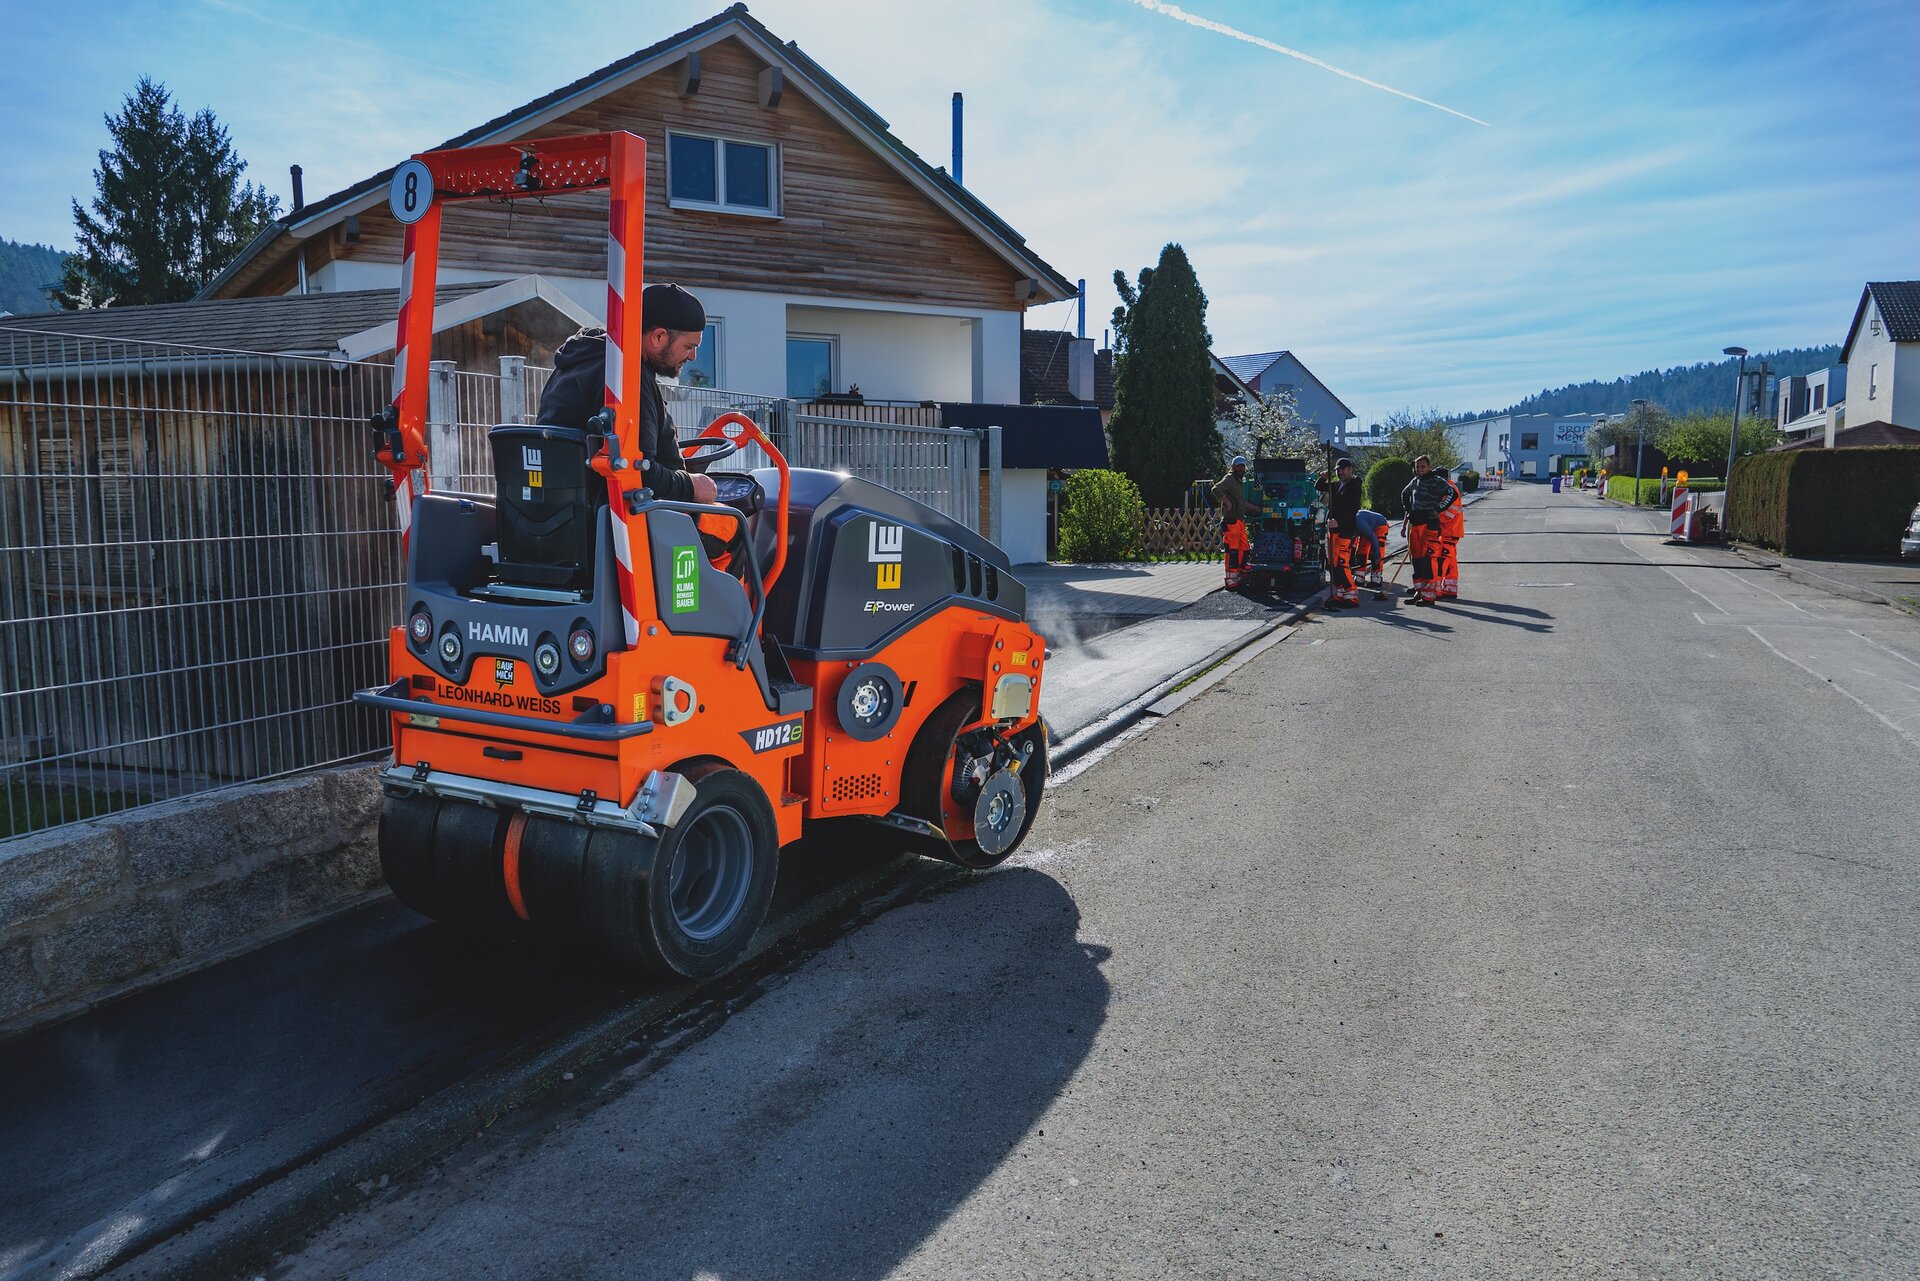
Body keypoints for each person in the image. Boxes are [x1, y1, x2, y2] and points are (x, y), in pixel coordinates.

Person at [538, 283, 744, 568]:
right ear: (659, 336)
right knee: (733, 526)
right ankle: (734, 614)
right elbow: (637, 473)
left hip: (565, 522)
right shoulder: (627, 380)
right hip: (621, 521)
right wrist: (691, 486)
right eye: (689, 346)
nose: (693, 357)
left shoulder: (576, 365)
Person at [1399, 454, 1456, 606]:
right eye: (1417, 467)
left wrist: (1439, 508)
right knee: (1417, 561)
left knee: (1428, 561)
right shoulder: (1415, 481)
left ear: (1429, 467)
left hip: (1429, 525)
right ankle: (1419, 592)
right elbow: (1404, 494)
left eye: (1423, 466)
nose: (1420, 469)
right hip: (1415, 526)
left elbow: (1452, 493)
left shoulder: (1437, 481)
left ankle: (1429, 596)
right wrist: (1408, 509)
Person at [1314, 456, 1364, 608]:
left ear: (1349, 470)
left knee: (1342, 563)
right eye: (1337, 471)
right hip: (1333, 530)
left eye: (1342, 470)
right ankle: (1341, 593)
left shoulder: (1354, 486)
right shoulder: (1336, 485)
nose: (1340, 473)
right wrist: (1322, 478)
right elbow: (1319, 487)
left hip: (1345, 530)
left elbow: (1352, 509)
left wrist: (1339, 522)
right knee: (1333, 564)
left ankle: (1352, 595)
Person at [1211, 455, 1255, 590]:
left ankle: (1239, 576)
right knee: (1233, 551)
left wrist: (1253, 507)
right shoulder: (1230, 478)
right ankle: (1230, 580)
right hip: (1231, 521)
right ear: (1233, 467)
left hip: (1239, 521)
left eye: (1243, 466)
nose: (1241, 468)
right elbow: (1215, 489)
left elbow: (1240, 502)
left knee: (1245, 548)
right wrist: (1226, 501)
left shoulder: (1238, 481)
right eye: (1239, 466)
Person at [1434, 467, 1465, 599]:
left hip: (1449, 531)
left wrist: (1436, 520)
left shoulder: (1450, 491)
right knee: (1450, 560)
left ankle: (1436, 589)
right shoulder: (1450, 489)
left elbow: (1449, 513)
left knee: (1442, 560)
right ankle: (1450, 588)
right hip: (1453, 531)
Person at [1353, 507, 1390, 595]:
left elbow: (1373, 539)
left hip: (1380, 525)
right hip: (1368, 525)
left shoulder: (1359, 523)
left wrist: (1377, 556)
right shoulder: (1348, 524)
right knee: (1361, 551)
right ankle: (1359, 577)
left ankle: (1376, 578)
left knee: (1376, 551)